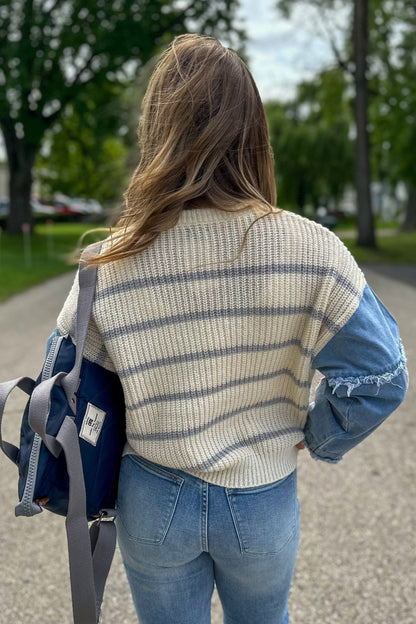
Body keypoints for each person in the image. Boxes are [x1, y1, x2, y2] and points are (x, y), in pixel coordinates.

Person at [55, 34, 408, 624]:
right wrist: (318, 435)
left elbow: (64, 387)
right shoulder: (312, 250)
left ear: (157, 129)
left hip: (152, 496)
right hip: (261, 499)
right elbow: (381, 375)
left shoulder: (111, 261)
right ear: (255, 132)